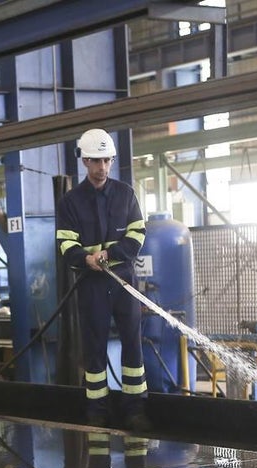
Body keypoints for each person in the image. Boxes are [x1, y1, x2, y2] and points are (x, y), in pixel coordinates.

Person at [56, 127, 149, 429]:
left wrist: (109, 256)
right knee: (94, 346)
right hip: (91, 284)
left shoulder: (125, 194)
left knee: (132, 343)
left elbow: (137, 235)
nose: (103, 168)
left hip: (123, 281)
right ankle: (97, 408)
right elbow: (66, 243)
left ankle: (135, 409)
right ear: (84, 161)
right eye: (96, 161)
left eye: (107, 161)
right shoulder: (71, 202)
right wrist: (85, 259)